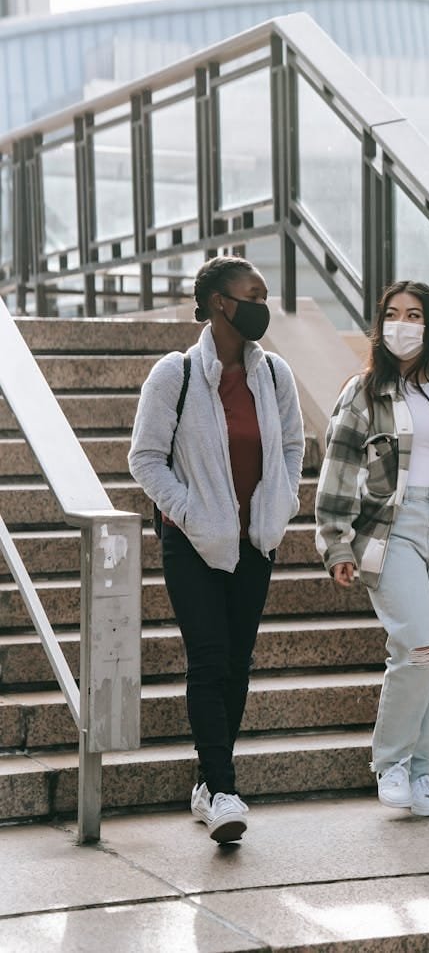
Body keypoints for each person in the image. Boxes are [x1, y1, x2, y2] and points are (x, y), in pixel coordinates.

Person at [129, 256, 304, 843]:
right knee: (208, 659)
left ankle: (209, 782)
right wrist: (189, 513)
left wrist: (279, 507)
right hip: (193, 545)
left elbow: (293, 448)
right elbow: (145, 458)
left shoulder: (275, 374)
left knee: (237, 662)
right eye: (254, 293)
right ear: (221, 302)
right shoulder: (173, 374)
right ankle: (225, 789)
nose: (264, 303)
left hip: (255, 541)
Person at [315, 280, 429, 818]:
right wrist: (337, 543)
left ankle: (424, 771)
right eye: (393, 314)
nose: (403, 323)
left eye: (415, 314)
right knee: (419, 648)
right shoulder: (362, 392)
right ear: (381, 326)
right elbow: (337, 473)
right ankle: (391, 762)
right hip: (389, 529)